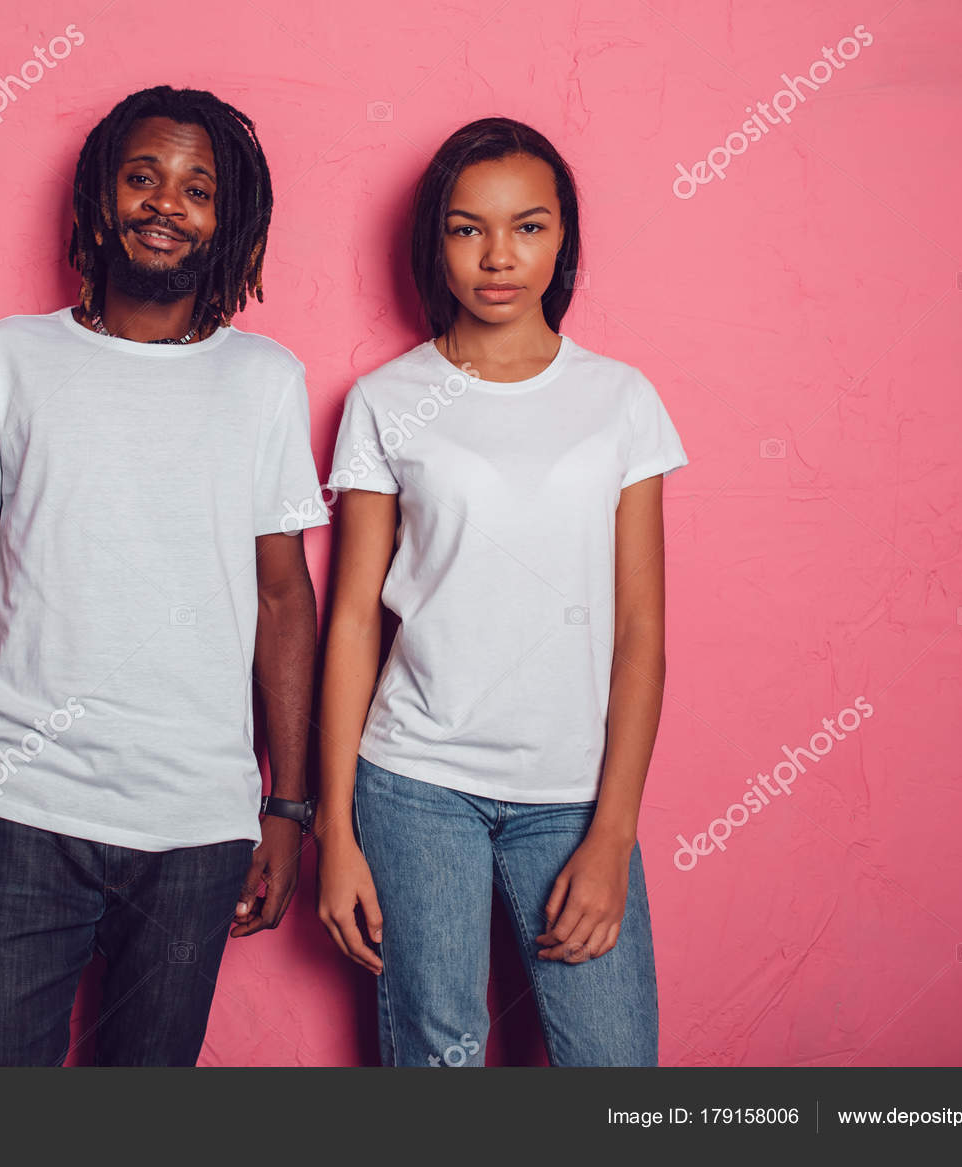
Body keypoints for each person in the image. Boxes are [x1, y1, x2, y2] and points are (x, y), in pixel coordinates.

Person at [0, 85, 327, 1067]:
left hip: (196, 827)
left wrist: (289, 808)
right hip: (20, 805)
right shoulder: (10, 359)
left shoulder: (264, 381)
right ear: (97, 201)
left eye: (197, 188)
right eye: (143, 177)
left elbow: (285, 595)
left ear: (228, 220)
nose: (167, 203)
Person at [314, 117, 689, 1067]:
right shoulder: (387, 399)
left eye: (528, 227)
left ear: (563, 238)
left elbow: (641, 631)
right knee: (440, 1055)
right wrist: (334, 830)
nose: (497, 257)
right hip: (414, 783)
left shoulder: (620, 399)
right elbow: (353, 618)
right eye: (466, 228)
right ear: (433, 241)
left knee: (613, 1066)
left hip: (571, 794)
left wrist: (613, 832)